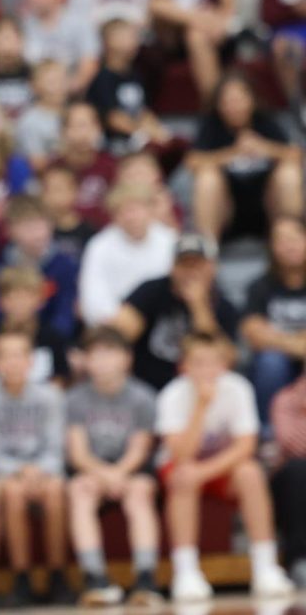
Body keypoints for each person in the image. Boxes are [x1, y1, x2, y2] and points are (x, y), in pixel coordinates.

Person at [156, 331, 293, 601]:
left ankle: (265, 566)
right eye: (198, 362)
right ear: (183, 366)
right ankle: (186, 571)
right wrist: (201, 406)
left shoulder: (238, 388)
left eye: (213, 362)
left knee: (250, 472)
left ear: (225, 364)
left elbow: (246, 446)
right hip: (183, 468)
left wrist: (203, 472)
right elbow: (181, 455)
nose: (206, 369)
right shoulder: (172, 395)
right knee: (183, 476)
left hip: (217, 469)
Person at [0, 329, 71, 606]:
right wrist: (19, 471)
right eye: (5, 356)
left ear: (31, 361)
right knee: (13, 494)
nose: (12, 362)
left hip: (45, 469)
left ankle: (57, 575)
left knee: (55, 491)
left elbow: (56, 445)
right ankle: (22, 577)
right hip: (7, 471)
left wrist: (39, 470)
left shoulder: (51, 396)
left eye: (19, 355)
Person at [64, 327, 162, 606]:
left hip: (131, 469)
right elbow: (78, 453)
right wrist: (104, 475)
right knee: (79, 490)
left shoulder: (142, 397)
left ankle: (146, 577)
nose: (103, 362)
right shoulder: (75, 399)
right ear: (86, 361)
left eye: (110, 354)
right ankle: (95, 577)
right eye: (95, 355)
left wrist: (119, 474)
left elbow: (140, 448)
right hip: (92, 469)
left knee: (140, 492)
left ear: (127, 359)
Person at [113, 233, 240, 390]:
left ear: (212, 268)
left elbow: (227, 359)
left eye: (198, 265)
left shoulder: (224, 306)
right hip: (145, 386)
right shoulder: (151, 291)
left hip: (199, 387)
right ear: (173, 267)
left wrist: (199, 306)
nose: (191, 272)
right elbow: (116, 334)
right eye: (185, 265)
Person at [187, 74, 302, 243]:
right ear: (218, 105)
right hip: (227, 210)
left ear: (252, 100)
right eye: (228, 101)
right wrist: (232, 153)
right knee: (207, 178)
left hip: (267, 206)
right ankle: (207, 248)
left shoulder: (264, 121)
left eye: (239, 99)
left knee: (289, 172)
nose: (234, 107)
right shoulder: (211, 125)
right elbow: (192, 161)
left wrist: (266, 148)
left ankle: (292, 241)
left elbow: (296, 154)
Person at [78, 184, 177, 327]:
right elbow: (93, 296)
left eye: (137, 209)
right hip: (116, 325)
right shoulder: (99, 246)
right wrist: (120, 322)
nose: (131, 217)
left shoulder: (169, 241)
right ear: (114, 216)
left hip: (161, 322)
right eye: (123, 211)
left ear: (150, 210)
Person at [243, 216, 306, 431]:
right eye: (282, 240)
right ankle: (269, 432)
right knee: (271, 361)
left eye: (295, 238)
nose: (289, 246)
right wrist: (299, 344)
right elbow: (254, 333)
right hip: (279, 364)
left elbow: (265, 333)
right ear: (272, 247)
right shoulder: (260, 287)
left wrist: (277, 337)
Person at [0, 267, 70, 389]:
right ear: (0, 301)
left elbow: (59, 379)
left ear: (40, 300)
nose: (20, 303)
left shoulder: (53, 338)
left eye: (26, 296)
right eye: (13, 297)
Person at [86, 18, 172, 155]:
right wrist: (144, 132)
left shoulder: (135, 75)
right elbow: (113, 118)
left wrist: (159, 130)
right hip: (113, 145)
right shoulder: (103, 79)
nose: (135, 40)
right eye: (128, 35)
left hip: (137, 139)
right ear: (109, 41)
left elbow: (143, 110)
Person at [0, 196, 79, 341]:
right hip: (10, 341)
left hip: (51, 340)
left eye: (42, 225)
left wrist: (53, 342)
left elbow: (65, 312)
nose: (38, 233)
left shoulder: (64, 264)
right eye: (28, 227)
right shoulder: (2, 265)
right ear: (11, 230)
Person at [21, 0, 99, 94]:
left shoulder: (79, 23)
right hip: (34, 93)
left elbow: (90, 61)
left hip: (71, 93)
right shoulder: (24, 25)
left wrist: (69, 88)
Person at [270, 372, 306, 588]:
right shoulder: (286, 400)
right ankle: (300, 560)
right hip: (297, 476)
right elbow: (294, 445)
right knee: (298, 470)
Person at [14, 60, 69, 170]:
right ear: (35, 86)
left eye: (62, 80)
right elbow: (37, 165)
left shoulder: (75, 113)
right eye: (52, 82)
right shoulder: (30, 121)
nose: (59, 87)